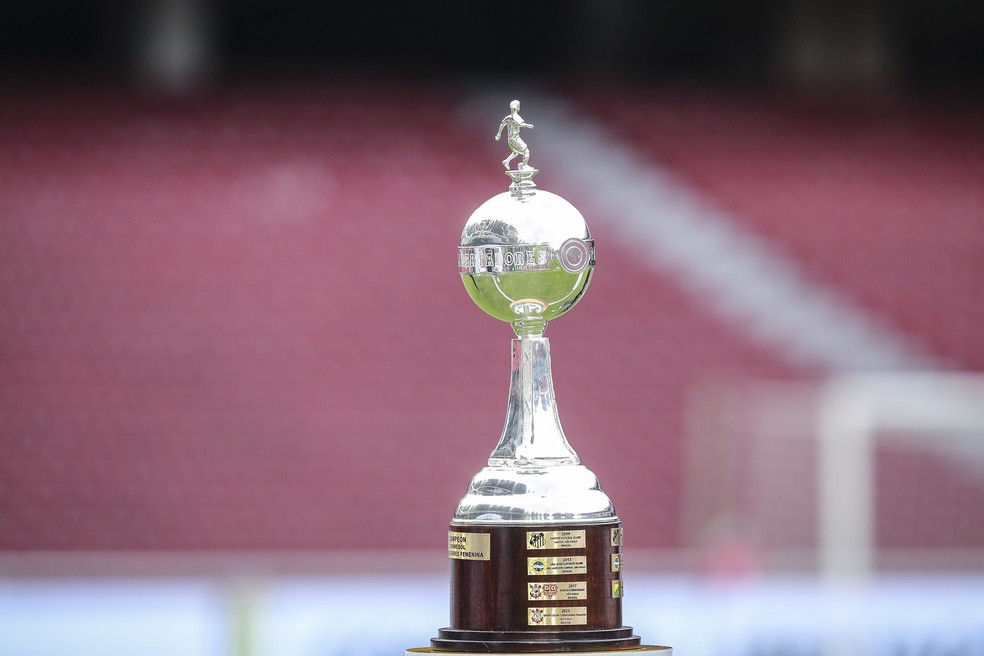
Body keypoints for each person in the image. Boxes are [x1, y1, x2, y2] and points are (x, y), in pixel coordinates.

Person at [495, 100, 534, 170]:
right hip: (515, 138)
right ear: (517, 108)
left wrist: (499, 134)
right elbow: (520, 124)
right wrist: (529, 125)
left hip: (510, 139)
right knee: (526, 151)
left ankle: (506, 161)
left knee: (515, 152)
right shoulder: (516, 117)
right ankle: (524, 165)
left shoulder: (508, 117)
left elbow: (502, 125)